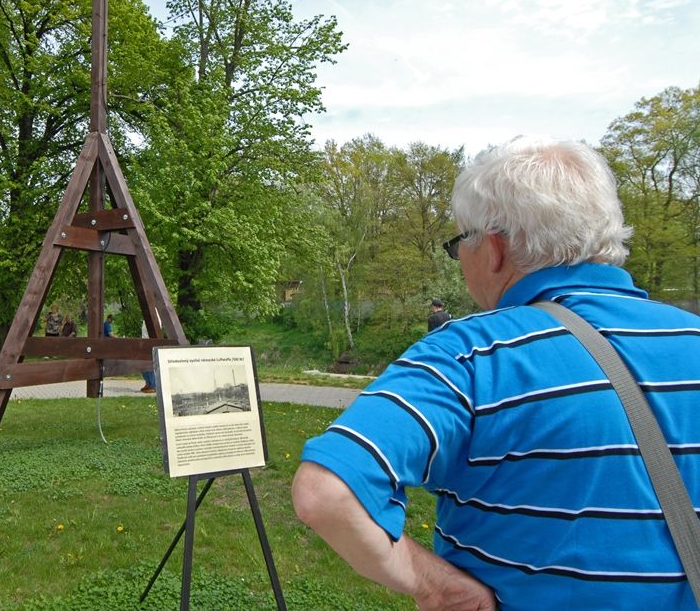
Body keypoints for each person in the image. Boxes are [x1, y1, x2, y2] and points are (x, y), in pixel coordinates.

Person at [292, 137, 700, 610]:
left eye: (459, 242)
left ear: (494, 247)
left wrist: (436, 587)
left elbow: (327, 491)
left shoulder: (469, 354)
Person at [140, 319, 156, 393]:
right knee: (142, 364)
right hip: (144, 343)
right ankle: (148, 383)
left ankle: (153, 386)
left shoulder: (154, 314)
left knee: (149, 365)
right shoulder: (145, 318)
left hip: (150, 343)